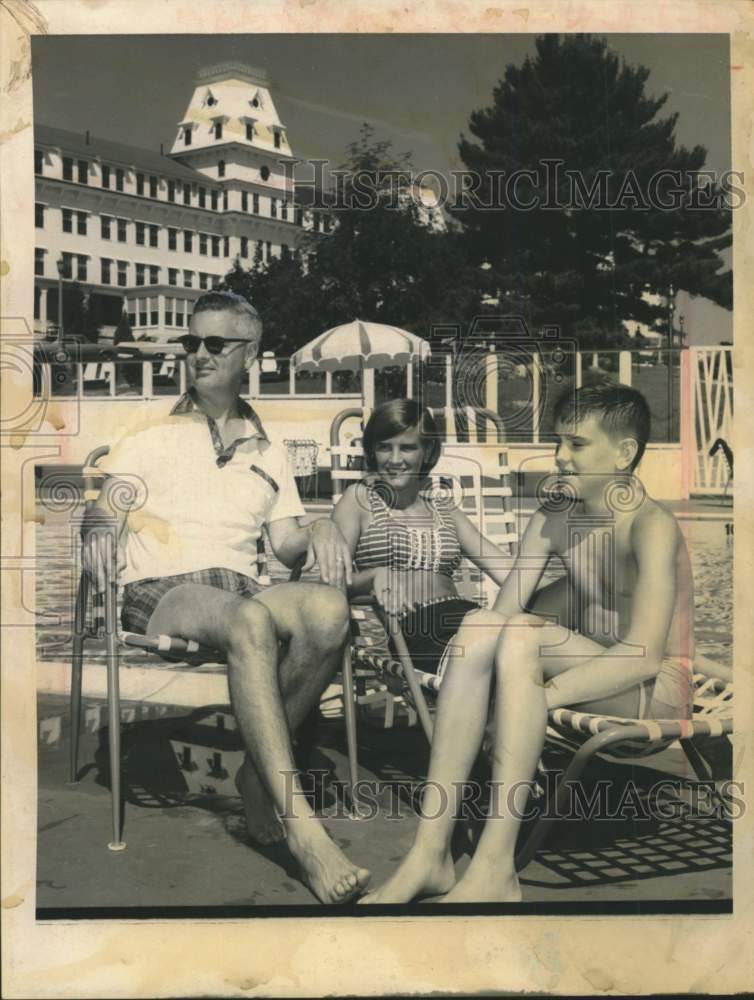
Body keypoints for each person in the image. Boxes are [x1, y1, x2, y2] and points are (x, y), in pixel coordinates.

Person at [83, 290, 370, 904]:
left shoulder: (269, 448)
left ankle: (255, 771)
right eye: (192, 343)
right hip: (162, 591)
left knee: (327, 611)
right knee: (250, 621)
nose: (199, 354)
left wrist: (321, 527)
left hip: (240, 589)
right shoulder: (148, 434)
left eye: (216, 343)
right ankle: (305, 834)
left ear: (251, 354)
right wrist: (99, 530)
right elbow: (106, 509)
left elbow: (288, 543)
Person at [364, 381, 695, 904]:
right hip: (590, 669)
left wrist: (542, 697)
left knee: (518, 635)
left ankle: (495, 866)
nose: (559, 457)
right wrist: (491, 692)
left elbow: (645, 656)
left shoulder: (651, 526)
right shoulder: (554, 517)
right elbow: (495, 621)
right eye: (558, 441)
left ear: (625, 453)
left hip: (653, 687)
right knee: (480, 628)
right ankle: (430, 854)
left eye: (577, 445)